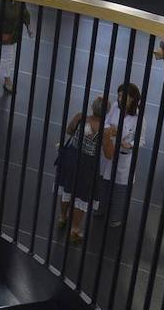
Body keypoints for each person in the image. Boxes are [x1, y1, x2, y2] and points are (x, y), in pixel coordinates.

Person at [57, 95, 107, 245]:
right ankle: (75, 229)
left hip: (72, 156)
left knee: (67, 187)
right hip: (88, 163)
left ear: (92, 107)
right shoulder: (103, 130)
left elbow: (69, 130)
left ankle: (62, 217)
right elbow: (109, 154)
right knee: (82, 196)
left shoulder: (80, 117)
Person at [98, 83, 142, 228]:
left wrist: (130, 145)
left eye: (123, 96)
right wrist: (110, 130)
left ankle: (116, 217)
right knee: (104, 182)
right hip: (109, 150)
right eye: (119, 95)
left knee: (119, 189)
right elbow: (104, 121)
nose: (119, 98)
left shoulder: (138, 117)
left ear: (132, 99)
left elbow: (140, 139)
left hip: (124, 157)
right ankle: (101, 209)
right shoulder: (115, 107)